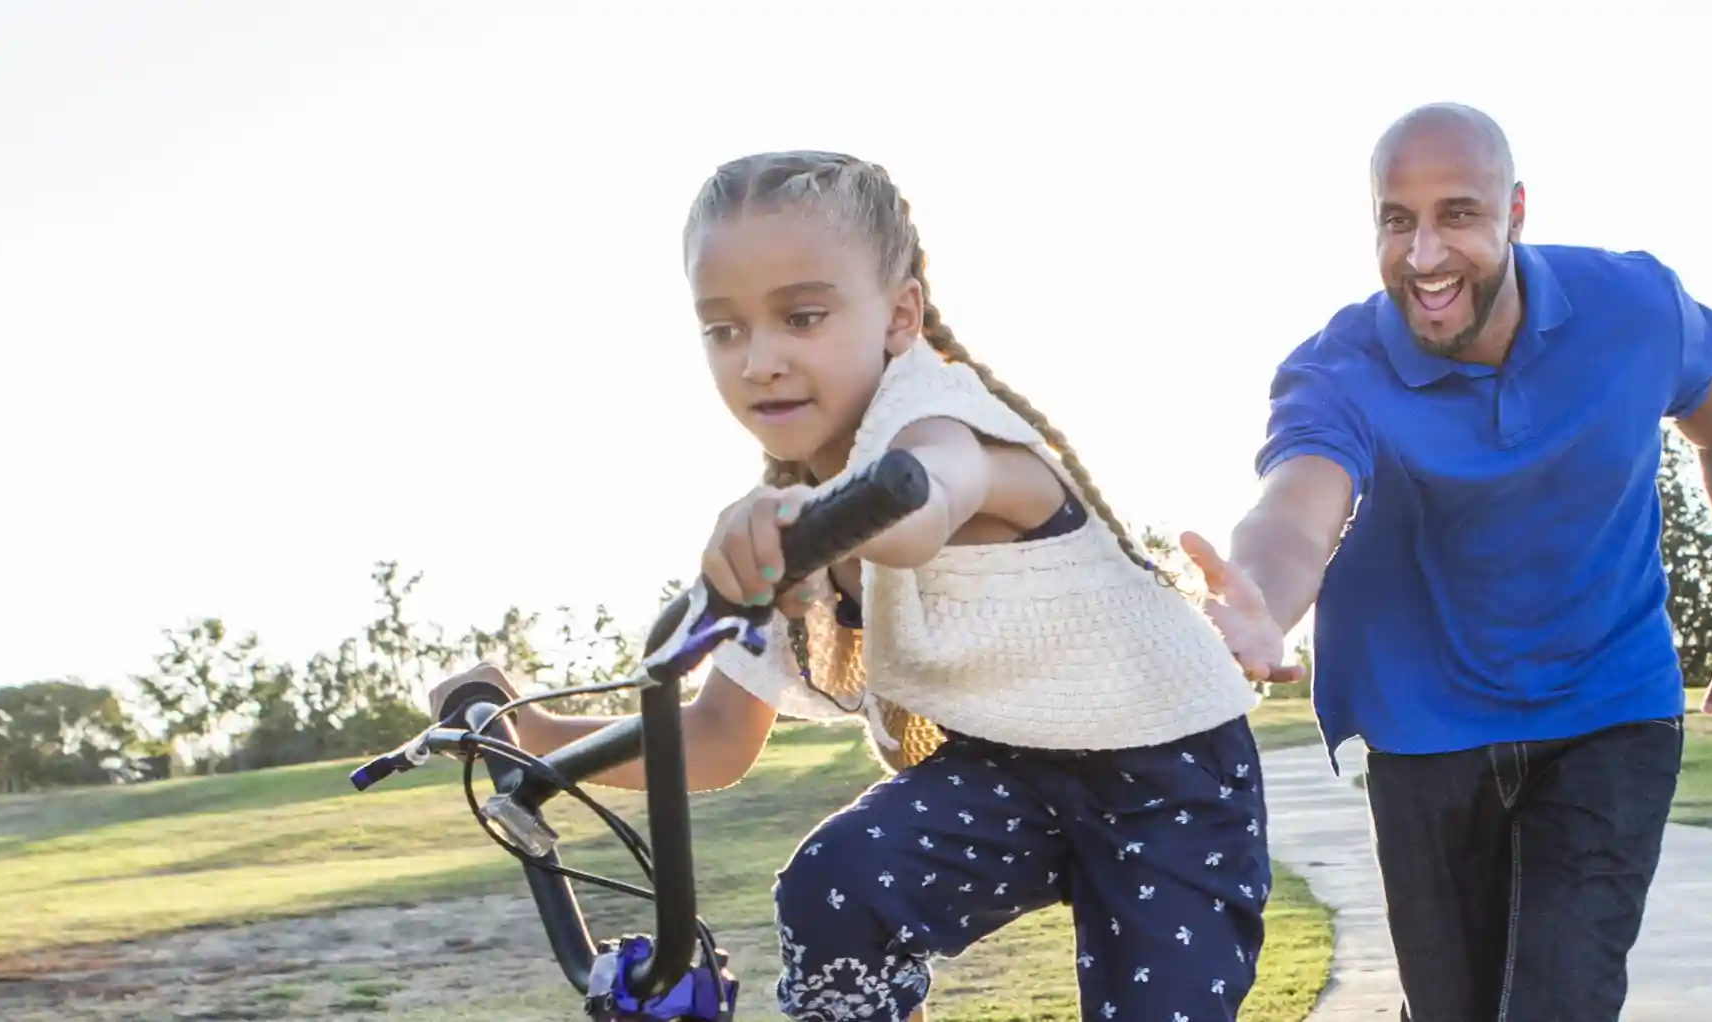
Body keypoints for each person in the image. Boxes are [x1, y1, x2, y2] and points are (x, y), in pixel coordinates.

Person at [429, 150, 1272, 1022]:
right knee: (839, 881)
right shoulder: (785, 513)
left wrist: (811, 525)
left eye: (800, 317)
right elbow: (717, 736)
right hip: (1009, 770)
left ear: (900, 314)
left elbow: (923, 504)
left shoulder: (942, 421)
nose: (758, 360)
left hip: (1170, 772)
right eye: (723, 329)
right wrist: (522, 731)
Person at [1180, 103, 1712, 1022]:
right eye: (1397, 221)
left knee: (1560, 1003)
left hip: (1607, 710)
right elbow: (1297, 513)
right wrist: (1260, 595)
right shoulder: (1339, 368)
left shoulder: (1634, 310)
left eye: (1456, 214)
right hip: (1425, 728)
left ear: (1514, 213)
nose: (1424, 256)